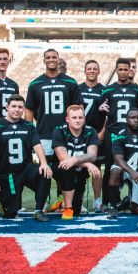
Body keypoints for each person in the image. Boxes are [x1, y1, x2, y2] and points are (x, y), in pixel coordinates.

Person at [26, 48, 83, 217]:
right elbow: (29, 111)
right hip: (43, 134)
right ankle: (41, 205)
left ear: (58, 60)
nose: (51, 60)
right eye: (48, 57)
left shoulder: (70, 82)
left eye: (54, 57)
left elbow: (78, 108)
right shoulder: (35, 84)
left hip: (65, 136)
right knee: (45, 171)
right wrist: (30, 134)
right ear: (44, 60)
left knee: (67, 169)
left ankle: (67, 203)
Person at [0, 95, 52, 220]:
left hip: (25, 169)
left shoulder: (28, 126)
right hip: (7, 173)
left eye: (20, 107)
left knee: (45, 173)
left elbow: (37, 144)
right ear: (7, 107)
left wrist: (44, 163)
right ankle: (6, 205)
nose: (17, 110)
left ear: (23, 109)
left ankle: (39, 210)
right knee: (10, 214)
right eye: (14, 106)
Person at [92, 58, 138, 186]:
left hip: (132, 133)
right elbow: (101, 111)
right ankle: (108, 202)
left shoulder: (137, 90)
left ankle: (132, 198)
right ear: (116, 70)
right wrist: (101, 109)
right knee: (111, 166)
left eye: (125, 70)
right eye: (120, 69)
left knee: (134, 165)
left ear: (130, 70)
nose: (123, 72)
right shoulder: (108, 90)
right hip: (113, 132)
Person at [104, 108, 138, 218]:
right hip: (125, 170)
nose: (136, 120)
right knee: (115, 171)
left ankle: (126, 202)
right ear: (126, 120)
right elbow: (118, 159)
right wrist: (132, 172)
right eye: (132, 118)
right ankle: (113, 206)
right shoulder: (120, 134)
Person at [51, 105, 102, 217]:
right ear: (67, 119)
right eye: (74, 118)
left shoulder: (90, 131)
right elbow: (63, 158)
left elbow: (92, 155)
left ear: (84, 119)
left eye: (80, 117)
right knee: (67, 168)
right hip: (60, 168)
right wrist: (87, 163)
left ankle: (61, 204)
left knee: (77, 210)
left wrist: (75, 159)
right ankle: (67, 208)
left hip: (80, 171)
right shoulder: (59, 130)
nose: (78, 120)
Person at [78, 59, 107, 211]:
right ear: (85, 71)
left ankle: (97, 201)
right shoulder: (77, 89)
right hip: (80, 134)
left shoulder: (104, 90)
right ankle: (79, 200)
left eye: (95, 68)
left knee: (96, 168)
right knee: (80, 168)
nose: (92, 71)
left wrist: (101, 133)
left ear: (98, 71)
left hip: (96, 134)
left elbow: (109, 116)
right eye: (89, 68)